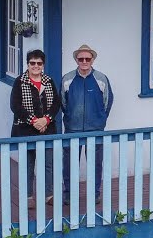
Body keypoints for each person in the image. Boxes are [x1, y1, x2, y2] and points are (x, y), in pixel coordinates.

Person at [61, 44, 113, 202]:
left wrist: (100, 119)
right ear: (76, 60)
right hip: (72, 129)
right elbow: (63, 102)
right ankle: (69, 194)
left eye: (87, 59)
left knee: (95, 164)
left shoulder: (101, 78)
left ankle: (94, 193)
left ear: (92, 60)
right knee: (69, 164)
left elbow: (108, 101)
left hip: (95, 129)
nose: (84, 61)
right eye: (81, 59)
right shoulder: (67, 78)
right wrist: (70, 117)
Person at [10, 49, 62, 200]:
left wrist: (46, 119)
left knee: (48, 164)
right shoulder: (19, 81)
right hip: (25, 130)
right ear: (27, 64)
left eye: (39, 63)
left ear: (43, 65)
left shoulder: (48, 81)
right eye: (32, 63)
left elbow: (56, 103)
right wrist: (34, 121)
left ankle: (48, 195)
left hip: (48, 129)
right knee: (28, 165)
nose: (36, 66)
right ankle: (28, 196)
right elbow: (15, 106)